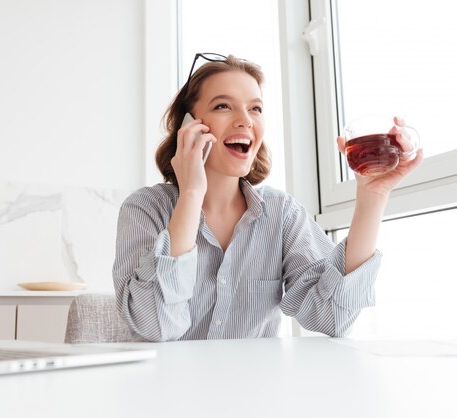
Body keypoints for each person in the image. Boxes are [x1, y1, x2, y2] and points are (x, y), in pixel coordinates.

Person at [112, 53, 423, 341]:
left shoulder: (282, 214)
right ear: (188, 126)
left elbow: (332, 318)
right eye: (223, 106)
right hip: (167, 394)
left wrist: (373, 196)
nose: (246, 120)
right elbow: (154, 324)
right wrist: (191, 192)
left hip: (259, 392)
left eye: (255, 108)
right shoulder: (145, 209)